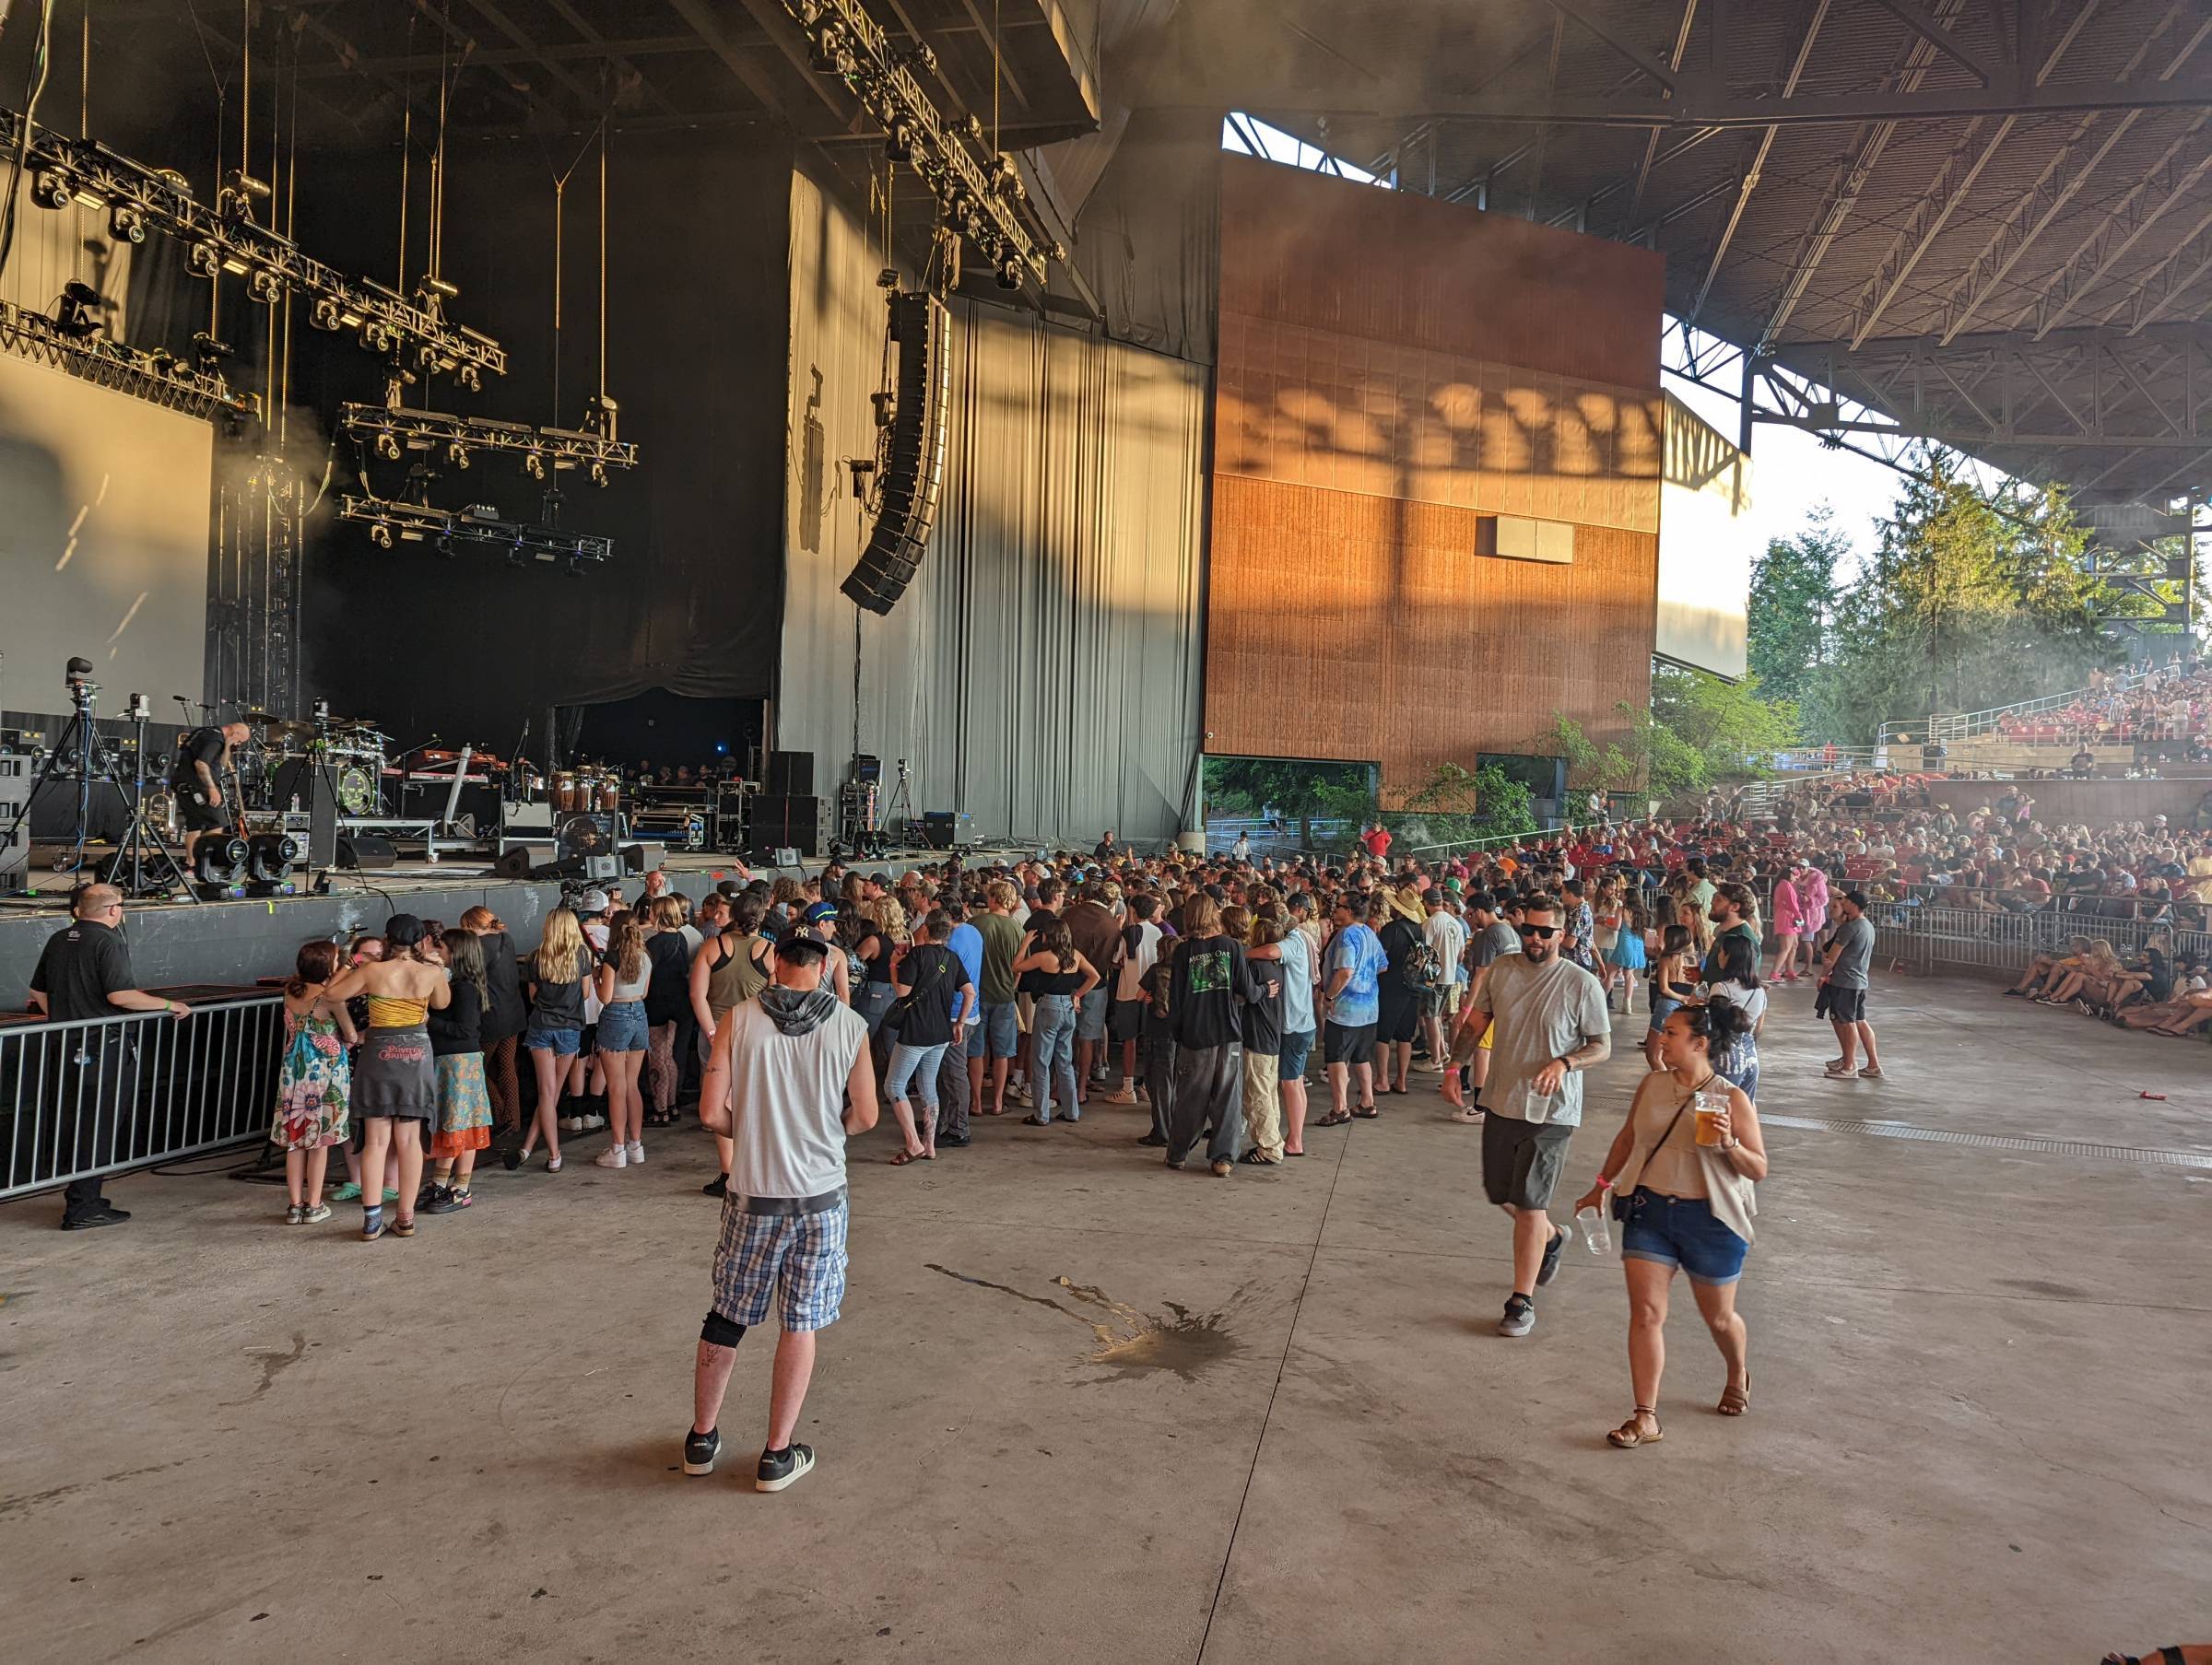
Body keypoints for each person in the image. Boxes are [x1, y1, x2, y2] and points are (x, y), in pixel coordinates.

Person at [683, 932, 878, 1495]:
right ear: (822, 970)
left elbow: (709, 1113)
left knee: (727, 1314)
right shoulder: (850, 1026)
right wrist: (821, 1134)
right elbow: (864, 1115)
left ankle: (701, 1439)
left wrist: (754, 1132)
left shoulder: (738, 1019)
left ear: (776, 966)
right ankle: (775, 1455)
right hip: (820, 1197)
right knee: (802, 1321)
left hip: (752, 1195)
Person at [1574, 1001, 1767, 1448]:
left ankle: (1737, 1371)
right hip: (1651, 1211)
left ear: (1699, 1043)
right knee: (1646, 1314)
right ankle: (1645, 1416)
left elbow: (1758, 1168)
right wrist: (1601, 1186)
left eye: (1672, 1032)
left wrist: (1727, 1143)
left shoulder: (1730, 1098)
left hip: (1711, 1220)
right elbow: (1628, 1138)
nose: (1661, 1037)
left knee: (1719, 1318)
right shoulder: (1652, 1085)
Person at [1457, 895, 1611, 1339]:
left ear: (1562, 935)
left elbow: (1601, 1046)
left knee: (1528, 1203)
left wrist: (1565, 1064)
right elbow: (1476, 1023)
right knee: (1499, 1191)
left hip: (1553, 1111)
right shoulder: (1502, 970)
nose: (1537, 939)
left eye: (1547, 932)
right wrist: (1454, 1068)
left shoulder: (1581, 984)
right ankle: (1553, 1236)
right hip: (1503, 1100)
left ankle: (1520, 1300)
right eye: (1531, 930)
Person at [25, 884, 191, 1230]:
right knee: (99, 1124)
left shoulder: (60, 938)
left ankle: (83, 1197)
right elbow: (120, 995)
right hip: (104, 1046)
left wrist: (64, 1019)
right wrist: (169, 1005)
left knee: (75, 1121)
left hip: (67, 1042)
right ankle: (83, 1206)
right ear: (114, 909)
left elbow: (37, 991)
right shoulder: (108, 941)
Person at [326, 914, 450, 1240]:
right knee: (410, 1140)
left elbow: (333, 995)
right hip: (416, 1054)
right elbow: (442, 1002)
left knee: (376, 1139)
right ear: (421, 940)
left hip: (378, 1052)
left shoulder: (372, 971)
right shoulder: (431, 973)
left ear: (386, 938)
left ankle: (371, 1220)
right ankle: (406, 1218)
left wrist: (353, 962)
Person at [1164, 893, 1265, 1177]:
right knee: (1228, 1099)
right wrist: (1263, 992)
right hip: (1228, 1032)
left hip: (1195, 1034)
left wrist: (1177, 1032)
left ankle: (1178, 1153)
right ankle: (1222, 1158)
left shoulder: (1183, 952)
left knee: (1190, 1097)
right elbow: (1246, 988)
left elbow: (1177, 998)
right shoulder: (1231, 946)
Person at [693, 895, 777, 1198]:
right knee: (755, 1102)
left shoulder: (712, 947)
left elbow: (697, 995)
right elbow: (774, 1000)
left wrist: (712, 1031)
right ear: (763, 915)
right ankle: (756, 1169)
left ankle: (729, 1173)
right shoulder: (770, 952)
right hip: (754, 1037)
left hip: (716, 1036)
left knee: (721, 1104)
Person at [273, 939, 353, 1225]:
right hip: (325, 1072)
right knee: (320, 1141)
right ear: (326, 966)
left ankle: (294, 1206)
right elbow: (350, 1034)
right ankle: (314, 1204)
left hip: (294, 1070)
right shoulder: (330, 998)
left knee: (295, 1141)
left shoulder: (290, 991)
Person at [884, 910, 975, 1160]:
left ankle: (913, 1143)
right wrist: (959, 1022)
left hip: (915, 1032)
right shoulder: (952, 958)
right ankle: (930, 1144)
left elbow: (903, 993)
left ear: (925, 929)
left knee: (893, 1086)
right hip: (941, 1033)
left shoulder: (917, 955)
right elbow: (970, 993)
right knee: (928, 1087)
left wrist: (893, 965)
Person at [513, 909, 591, 1172]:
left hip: (541, 1027)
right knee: (553, 1093)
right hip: (570, 1027)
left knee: (547, 1094)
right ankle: (553, 1154)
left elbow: (533, 995)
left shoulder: (535, 957)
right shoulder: (581, 955)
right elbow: (587, 992)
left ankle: (530, 1147)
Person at [422, 927, 492, 1212]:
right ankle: (440, 1181)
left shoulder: (464, 988)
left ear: (456, 952)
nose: (439, 952)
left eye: (443, 948)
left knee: (463, 1124)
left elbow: (465, 1029)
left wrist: (429, 1020)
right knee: (452, 1123)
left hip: (460, 1062)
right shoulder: (459, 984)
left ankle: (460, 1186)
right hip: (450, 1062)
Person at [1010, 920, 1099, 1128]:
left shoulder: (1044, 957)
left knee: (1041, 1061)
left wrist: (1024, 944)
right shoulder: (1075, 956)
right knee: (1065, 1061)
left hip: (1048, 1007)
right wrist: (1078, 994)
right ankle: (1071, 1111)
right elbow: (1095, 976)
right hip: (1068, 1008)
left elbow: (1016, 966)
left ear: (1048, 936)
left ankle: (1041, 1114)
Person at [1441, 893, 1518, 1120]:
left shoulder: (1487, 935)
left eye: (1470, 913)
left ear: (1478, 912)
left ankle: (1479, 1107)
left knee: (1481, 1052)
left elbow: (1481, 975)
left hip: (1492, 1000)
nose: (1469, 918)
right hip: (1510, 999)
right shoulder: (1508, 931)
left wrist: (1466, 1010)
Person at [1319, 894, 1388, 1124]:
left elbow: (1345, 971)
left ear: (1348, 910)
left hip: (1345, 1009)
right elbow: (1381, 966)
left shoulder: (1347, 935)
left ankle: (1340, 1108)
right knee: (1362, 1057)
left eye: (1338, 906)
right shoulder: (1369, 933)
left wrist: (1330, 994)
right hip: (1369, 1007)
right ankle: (1367, 1102)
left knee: (1336, 1057)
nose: (1335, 909)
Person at [593, 910, 653, 1169]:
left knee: (615, 1086)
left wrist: (596, 980)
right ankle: (635, 1145)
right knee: (632, 1084)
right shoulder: (645, 957)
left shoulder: (612, 959)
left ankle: (617, 1148)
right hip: (639, 1013)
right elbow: (645, 991)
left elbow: (604, 998)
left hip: (616, 1014)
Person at [460, 907, 527, 1134]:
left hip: (490, 1017)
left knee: (478, 1067)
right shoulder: (506, 939)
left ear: (470, 925)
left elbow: (467, 977)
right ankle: (515, 1120)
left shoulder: (477, 947)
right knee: (507, 1066)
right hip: (513, 1013)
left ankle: (501, 1115)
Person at [968, 879, 1025, 1118]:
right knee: (1002, 1052)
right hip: (1004, 996)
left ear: (992, 899)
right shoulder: (1017, 929)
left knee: (976, 1051)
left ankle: (976, 1101)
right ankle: (999, 1101)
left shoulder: (975, 924)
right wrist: (1011, 988)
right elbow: (1020, 967)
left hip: (976, 995)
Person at [170, 719, 253, 870]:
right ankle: (204, 862)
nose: (238, 744)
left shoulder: (209, 733)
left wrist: (228, 745)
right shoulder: (214, 739)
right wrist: (211, 788)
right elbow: (200, 764)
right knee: (217, 822)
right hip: (196, 787)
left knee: (194, 826)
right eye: (239, 740)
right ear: (234, 733)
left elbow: (221, 765)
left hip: (185, 786)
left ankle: (192, 865)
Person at [1819, 889, 1884, 1081]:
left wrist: (1823, 975)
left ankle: (1849, 1065)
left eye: (1845, 901)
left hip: (1845, 981)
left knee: (1846, 1023)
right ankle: (1872, 1064)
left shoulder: (1850, 928)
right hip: (1859, 980)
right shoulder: (1867, 926)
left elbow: (1831, 956)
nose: (1842, 904)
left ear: (1853, 905)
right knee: (1859, 1021)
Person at [1105, 894, 1164, 1105]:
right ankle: (1147, 1086)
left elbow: (1115, 960)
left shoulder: (1128, 933)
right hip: (1150, 995)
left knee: (1128, 1041)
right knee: (1148, 1042)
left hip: (1128, 991)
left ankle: (1128, 1088)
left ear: (1133, 911)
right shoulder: (1158, 933)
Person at [642, 897, 693, 1128]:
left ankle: (659, 1109)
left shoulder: (655, 943)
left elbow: (645, 973)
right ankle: (672, 1105)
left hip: (658, 1002)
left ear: (659, 914)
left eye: (651, 911)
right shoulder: (681, 938)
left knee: (657, 1057)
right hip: (679, 1001)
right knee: (669, 1055)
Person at [1372, 887, 1427, 1096]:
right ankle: (1401, 1081)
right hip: (1413, 986)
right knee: (1405, 1036)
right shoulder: (1419, 930)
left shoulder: (1391, 929)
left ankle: (1382, 1079)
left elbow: (1380, 958)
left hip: (1391, 986)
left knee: (1383, 1035)